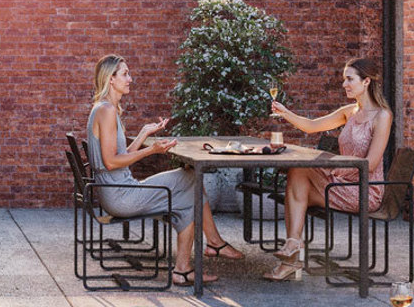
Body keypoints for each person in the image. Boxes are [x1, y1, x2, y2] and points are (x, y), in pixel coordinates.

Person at [85, 55, 240, 286]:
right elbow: (111, 162)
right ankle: (204, 252)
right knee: (190, 178)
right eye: (125, 74)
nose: (131, 79)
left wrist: (143, 134)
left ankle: (190, 263)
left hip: (117, 191)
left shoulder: (105, 109)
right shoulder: (106, 110)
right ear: (111, 79)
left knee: (190, 192)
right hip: (121, 195)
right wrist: (152, 151)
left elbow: (118, 157)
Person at [260, 57, 392, 282]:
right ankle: (291, 252)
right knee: (297, 176)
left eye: (349, 79)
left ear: (366, 81)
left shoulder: (382, 116)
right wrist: (285, 113)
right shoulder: (349, 112)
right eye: (344, 79)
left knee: (300, 173)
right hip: (338, 183)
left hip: (364, 190)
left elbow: (370, 163)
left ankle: (291, 254)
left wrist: (333, 163)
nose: (344, 84)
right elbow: (312, 126)